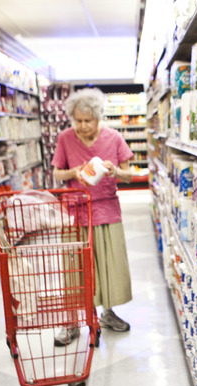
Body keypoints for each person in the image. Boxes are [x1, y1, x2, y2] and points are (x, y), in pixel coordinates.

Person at [51, 87, 134, 344]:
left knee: (109, 265)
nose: (82, 126)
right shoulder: (65, 138)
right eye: (78, 121)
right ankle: (73, 320)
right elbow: (57, 173)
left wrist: (114, 172)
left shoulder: (114, 137)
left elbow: (129, 174)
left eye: (87, 120)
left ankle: (107, 313)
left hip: (106, 208)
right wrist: (73, 172)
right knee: (76, 267)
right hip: (75, 210)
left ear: (98, 118)